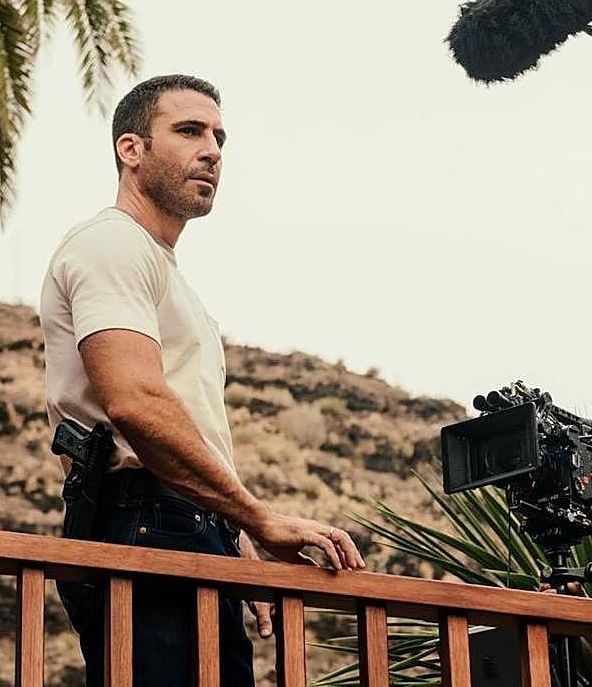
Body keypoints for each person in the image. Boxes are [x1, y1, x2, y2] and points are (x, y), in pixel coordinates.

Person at [39, 74, 364, 686]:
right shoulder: (110, 242)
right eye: (189, 131)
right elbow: (135, 403)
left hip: (186, 528)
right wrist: (259, 518)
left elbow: (176, 423)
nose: (212, 150)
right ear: (130, 149)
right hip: (148, 527)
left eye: (219, 137)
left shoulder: (169, 278)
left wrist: (234, 540)